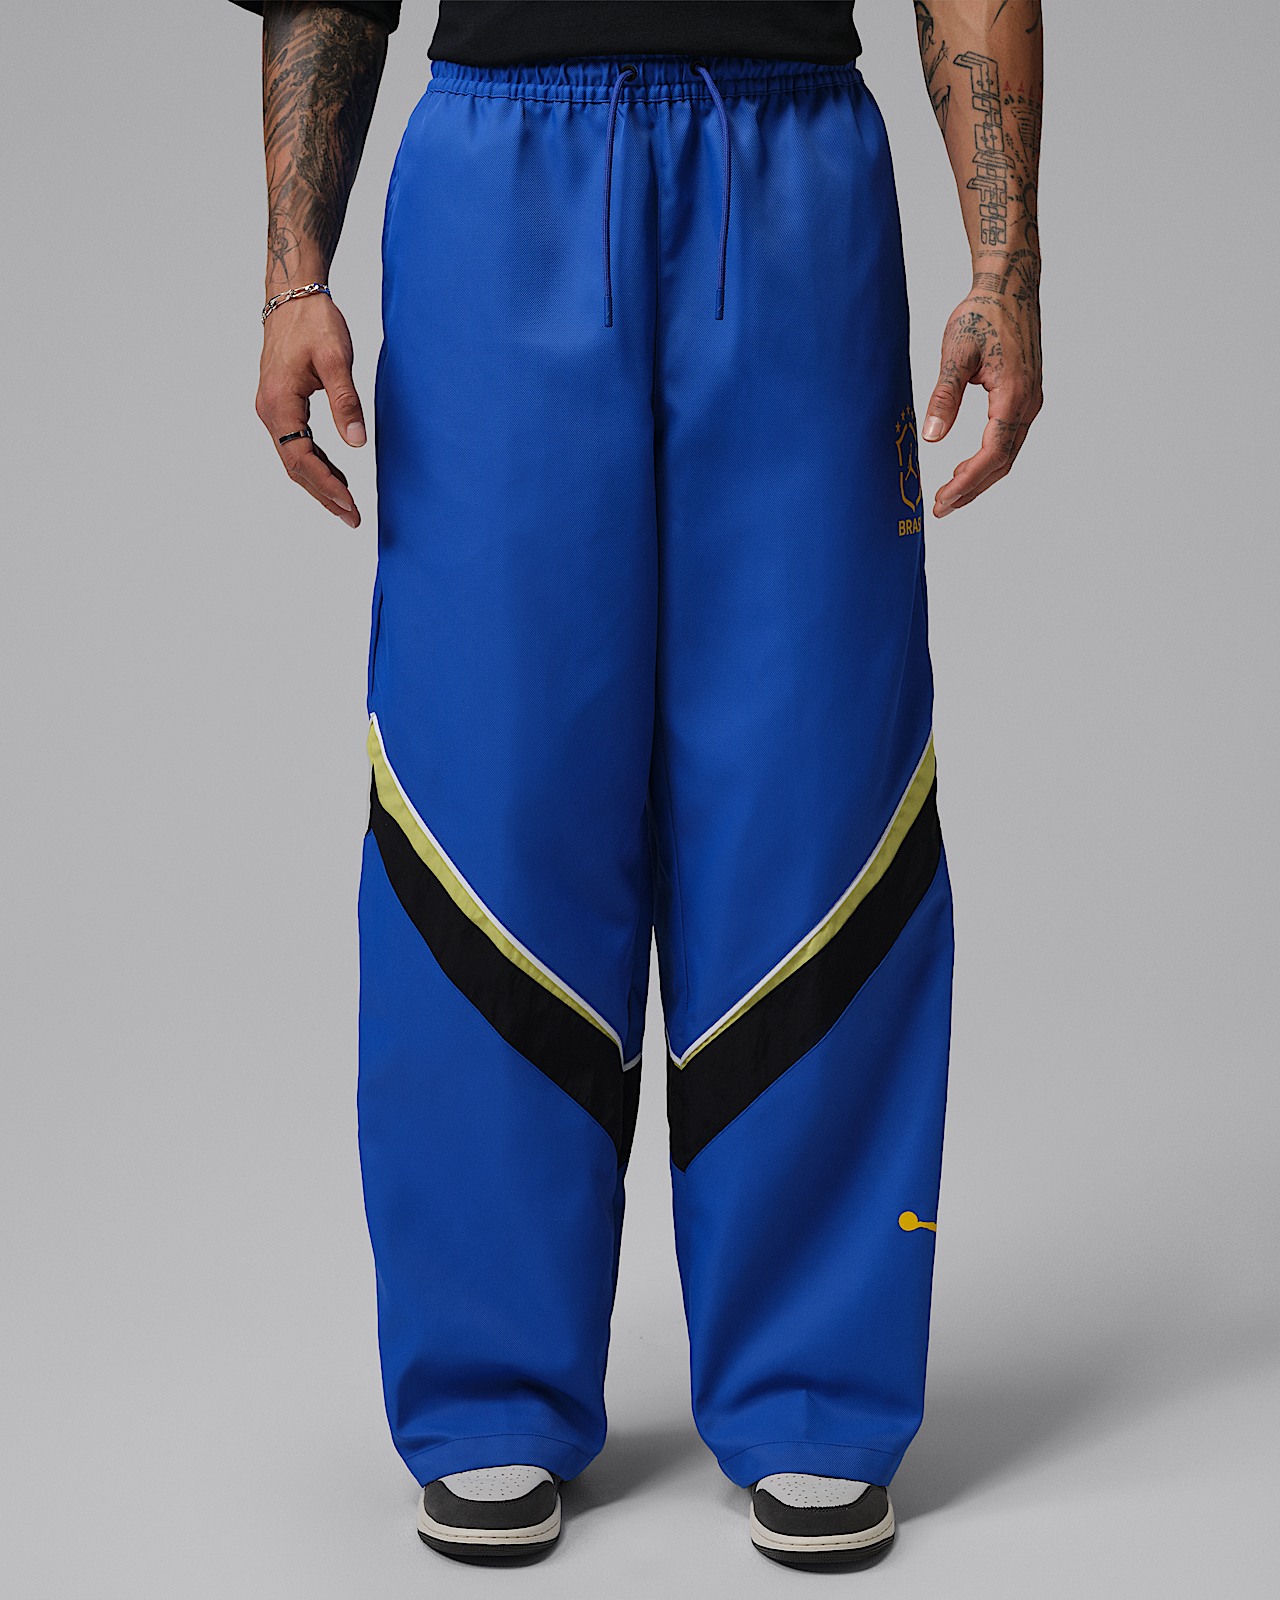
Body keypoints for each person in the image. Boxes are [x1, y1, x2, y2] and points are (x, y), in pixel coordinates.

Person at [236, 0, 1042, 1569]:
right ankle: (488, 1387)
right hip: (499, 168)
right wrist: (291, 272)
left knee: (815, 773)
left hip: (796, 168)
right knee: (490, 776)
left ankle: (814, 1385)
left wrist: (1003, 265)